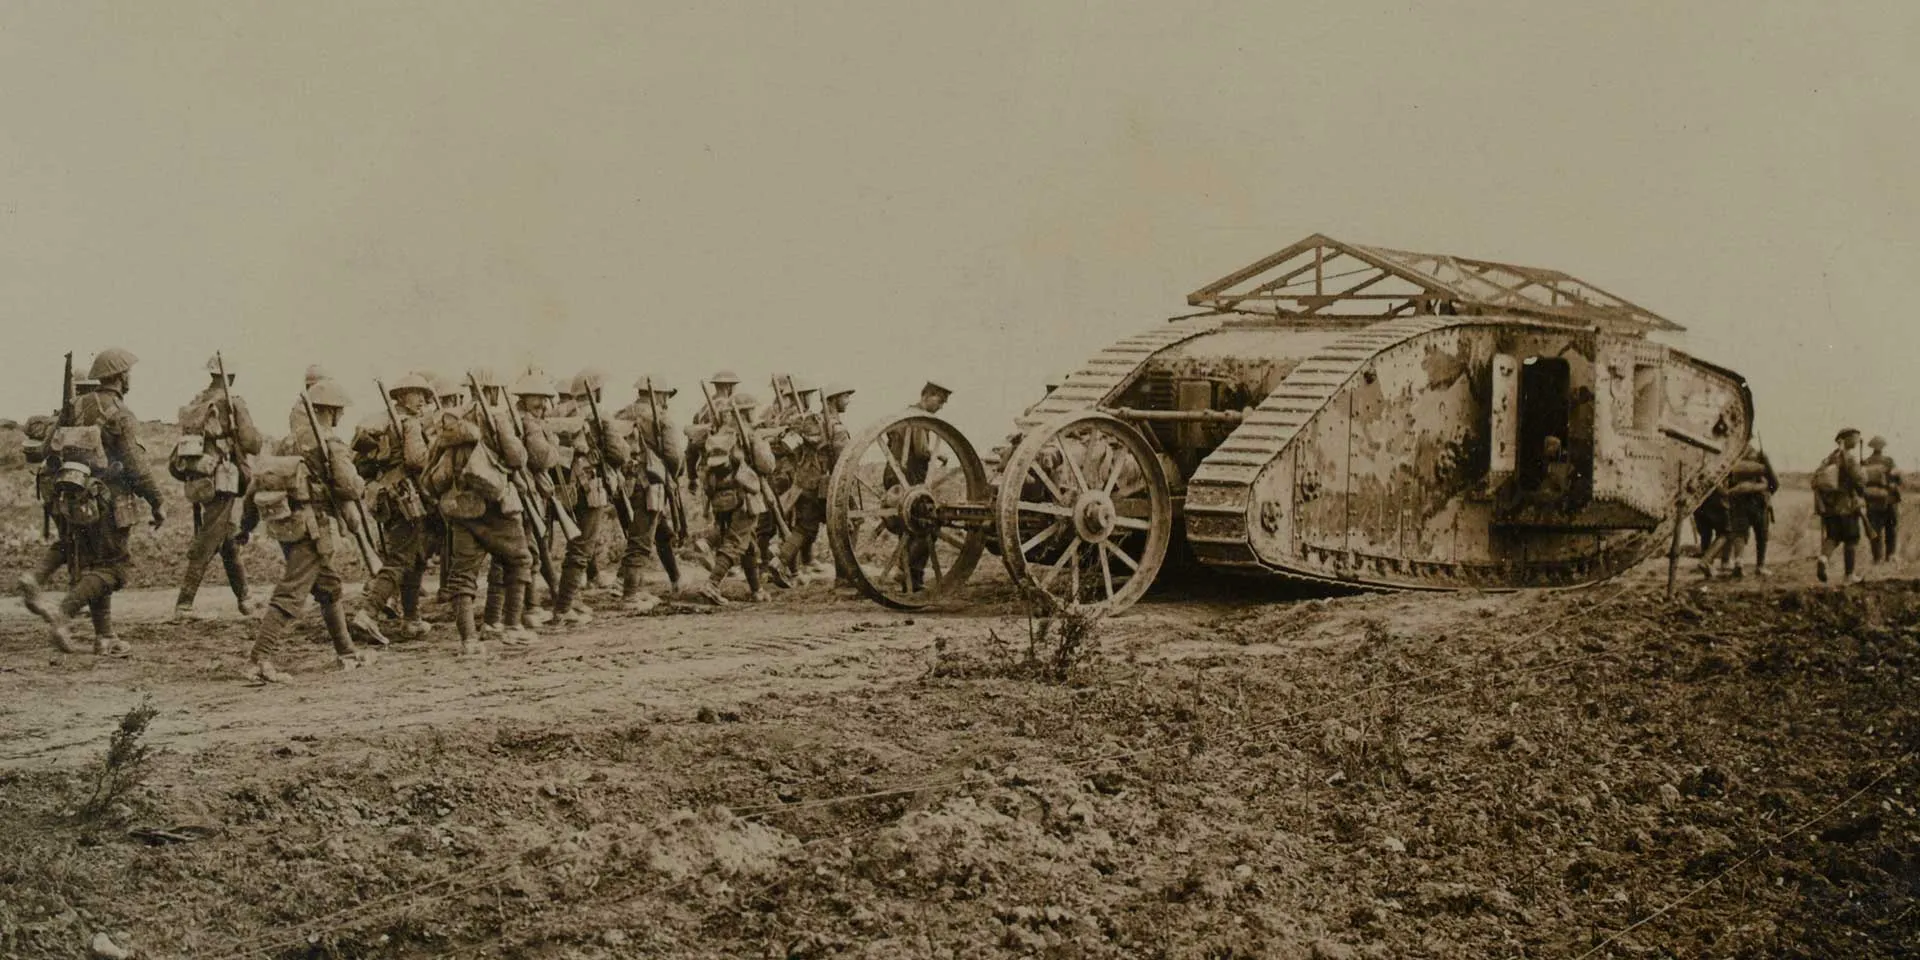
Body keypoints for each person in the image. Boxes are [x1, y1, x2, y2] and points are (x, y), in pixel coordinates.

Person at [19, 348, 166, 656]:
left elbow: (46, 449)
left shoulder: (74, 407)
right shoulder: (120, 414)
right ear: (120, 377)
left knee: (95, 567)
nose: (129, 379)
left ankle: (105, 637)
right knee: (116, 569)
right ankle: (63, 614)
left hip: (74, 499)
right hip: (110, 503)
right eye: (128, 374)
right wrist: (157, 501)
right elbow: (137, 467)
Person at [243, 379, 378, 682]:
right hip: (313, 529)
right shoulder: (329, 442)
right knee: (291, 592)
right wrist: (359, 482)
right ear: (330, 411)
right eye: (339, 411)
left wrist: (246, 524)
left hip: (288, 524)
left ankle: (346, 653)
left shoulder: (287, 442)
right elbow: (348, 485)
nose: (341, 416)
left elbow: (259, 482)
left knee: (329, 587)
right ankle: (259, 659)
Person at [422, 367, 532, 656]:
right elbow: (517, 458)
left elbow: (430, 465)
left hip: (460, 508)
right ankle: (511, 627)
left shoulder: (451, 422)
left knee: (461, 576)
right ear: (494, 391)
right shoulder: (495, 418)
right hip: (496, 507)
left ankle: (469, 640)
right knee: (519, 560)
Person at [169, 354, 266, 621]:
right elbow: (251, 443)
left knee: (226, 538)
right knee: (210, 537)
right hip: (222, 477)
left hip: (199, 476)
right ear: (231, 378)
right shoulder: (232, 403)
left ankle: (245, 599)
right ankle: (184, 605)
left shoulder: (197, 403)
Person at [349, 372, 437, 640]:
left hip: (387, 497)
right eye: (416, 394)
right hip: (405, 497)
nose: (422, 400)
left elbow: (360, 465)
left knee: (415, 557)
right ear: (401, 397)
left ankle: (411, 619)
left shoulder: (381, 423)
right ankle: (368, 612)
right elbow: (416, 461)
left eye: (424, 395)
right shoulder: (408, 423)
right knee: (401, 559)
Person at [550, 370, 632, 625]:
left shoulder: (560, 415)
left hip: (567, 489)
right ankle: (563, 608)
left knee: (577, 545)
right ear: (596, 391)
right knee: (582, 547)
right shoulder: (599, 416)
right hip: (590, 489)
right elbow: (618, 453)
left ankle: (571, 601)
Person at [692, 393, 777, 605]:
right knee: (736, 542)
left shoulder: (719, 434)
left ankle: (757, 590)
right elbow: (766, 465)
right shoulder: (750, 434)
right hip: (744, 497)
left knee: (749, 545)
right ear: (748, 411)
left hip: (720, 497)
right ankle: (712, 584)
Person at [616, 375, 686, 607]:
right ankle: (630, 594)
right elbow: (674, 455)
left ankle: (675, 579)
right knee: (641, 538)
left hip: (626, 484)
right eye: (665, 395)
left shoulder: (622, 415)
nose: (666, 400)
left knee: (661, 532)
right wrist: (672, 477)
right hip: (651, 485)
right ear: (658, 394)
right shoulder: (661, 419)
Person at [777, 382, 853, 585]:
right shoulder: (835, 428)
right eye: (845, 396)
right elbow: (842, 462)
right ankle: (844, 577)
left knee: (805, 527)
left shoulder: (810, 423)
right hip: (826, 485)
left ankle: (779, 562)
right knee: (847, 525)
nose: (848, 401)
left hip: (804, 483)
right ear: (834, 399)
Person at [887, 380, 952, 592]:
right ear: (927, 396)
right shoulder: (918, 420)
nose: (941, 406)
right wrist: (940, 455)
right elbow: (922, 451)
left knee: (909, 528)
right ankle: (907, 572)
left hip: (893, 476)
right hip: (910, 478)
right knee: (928, 526)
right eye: (939, 401)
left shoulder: (902, 415)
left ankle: (912, 581)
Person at [1705, 442, 1778, 578]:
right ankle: (1760, 566)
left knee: (1740, 534)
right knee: (1761, 535)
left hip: (1739, 502)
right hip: (1760, 502)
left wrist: (1730, 493)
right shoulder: (1760, 458)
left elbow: (1724, 483)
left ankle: (1739, 561)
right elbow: (1775, 484)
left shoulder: (1734, 456)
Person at [1813, 427, 1869, 585]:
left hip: (1830, 506)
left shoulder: (1830, 458)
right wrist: (1863, 475)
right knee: (1851, 539)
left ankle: (1823, 559)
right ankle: (1849, 576)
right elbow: (1859, 480)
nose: (1858, 440)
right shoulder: (1849, 458)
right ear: (1847, 439)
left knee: (1832, 537)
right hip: (1847, 506)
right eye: (1855, 437)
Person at [1862, 436, 1902, 564]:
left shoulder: (1866, 462)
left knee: (1875, 530)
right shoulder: (1889, 461)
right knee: (1891, 529)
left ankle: (1877, 558)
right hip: (1889, 501)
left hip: (1872, 501)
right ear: (1883, 447)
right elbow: (1898, 479)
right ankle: (1890, 557)